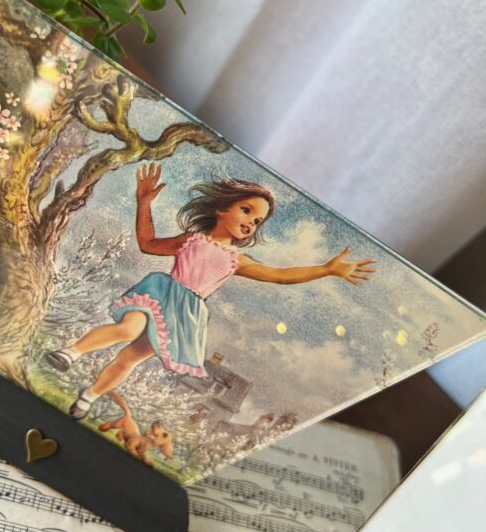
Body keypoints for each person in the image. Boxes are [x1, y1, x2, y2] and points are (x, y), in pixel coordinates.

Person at [46, 162, 375, 419]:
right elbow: (147, 243)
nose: (251, 223)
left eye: (257, 222)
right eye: (247, 211)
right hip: (162, 292)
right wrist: (143, 202)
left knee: (130, 357)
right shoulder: (193, 239)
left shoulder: (236, 259)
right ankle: (71, 352)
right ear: (222, 209)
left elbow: (280, 275)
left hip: (185, 313)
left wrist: (327, 269)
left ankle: (88, 396)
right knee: (128, 328)